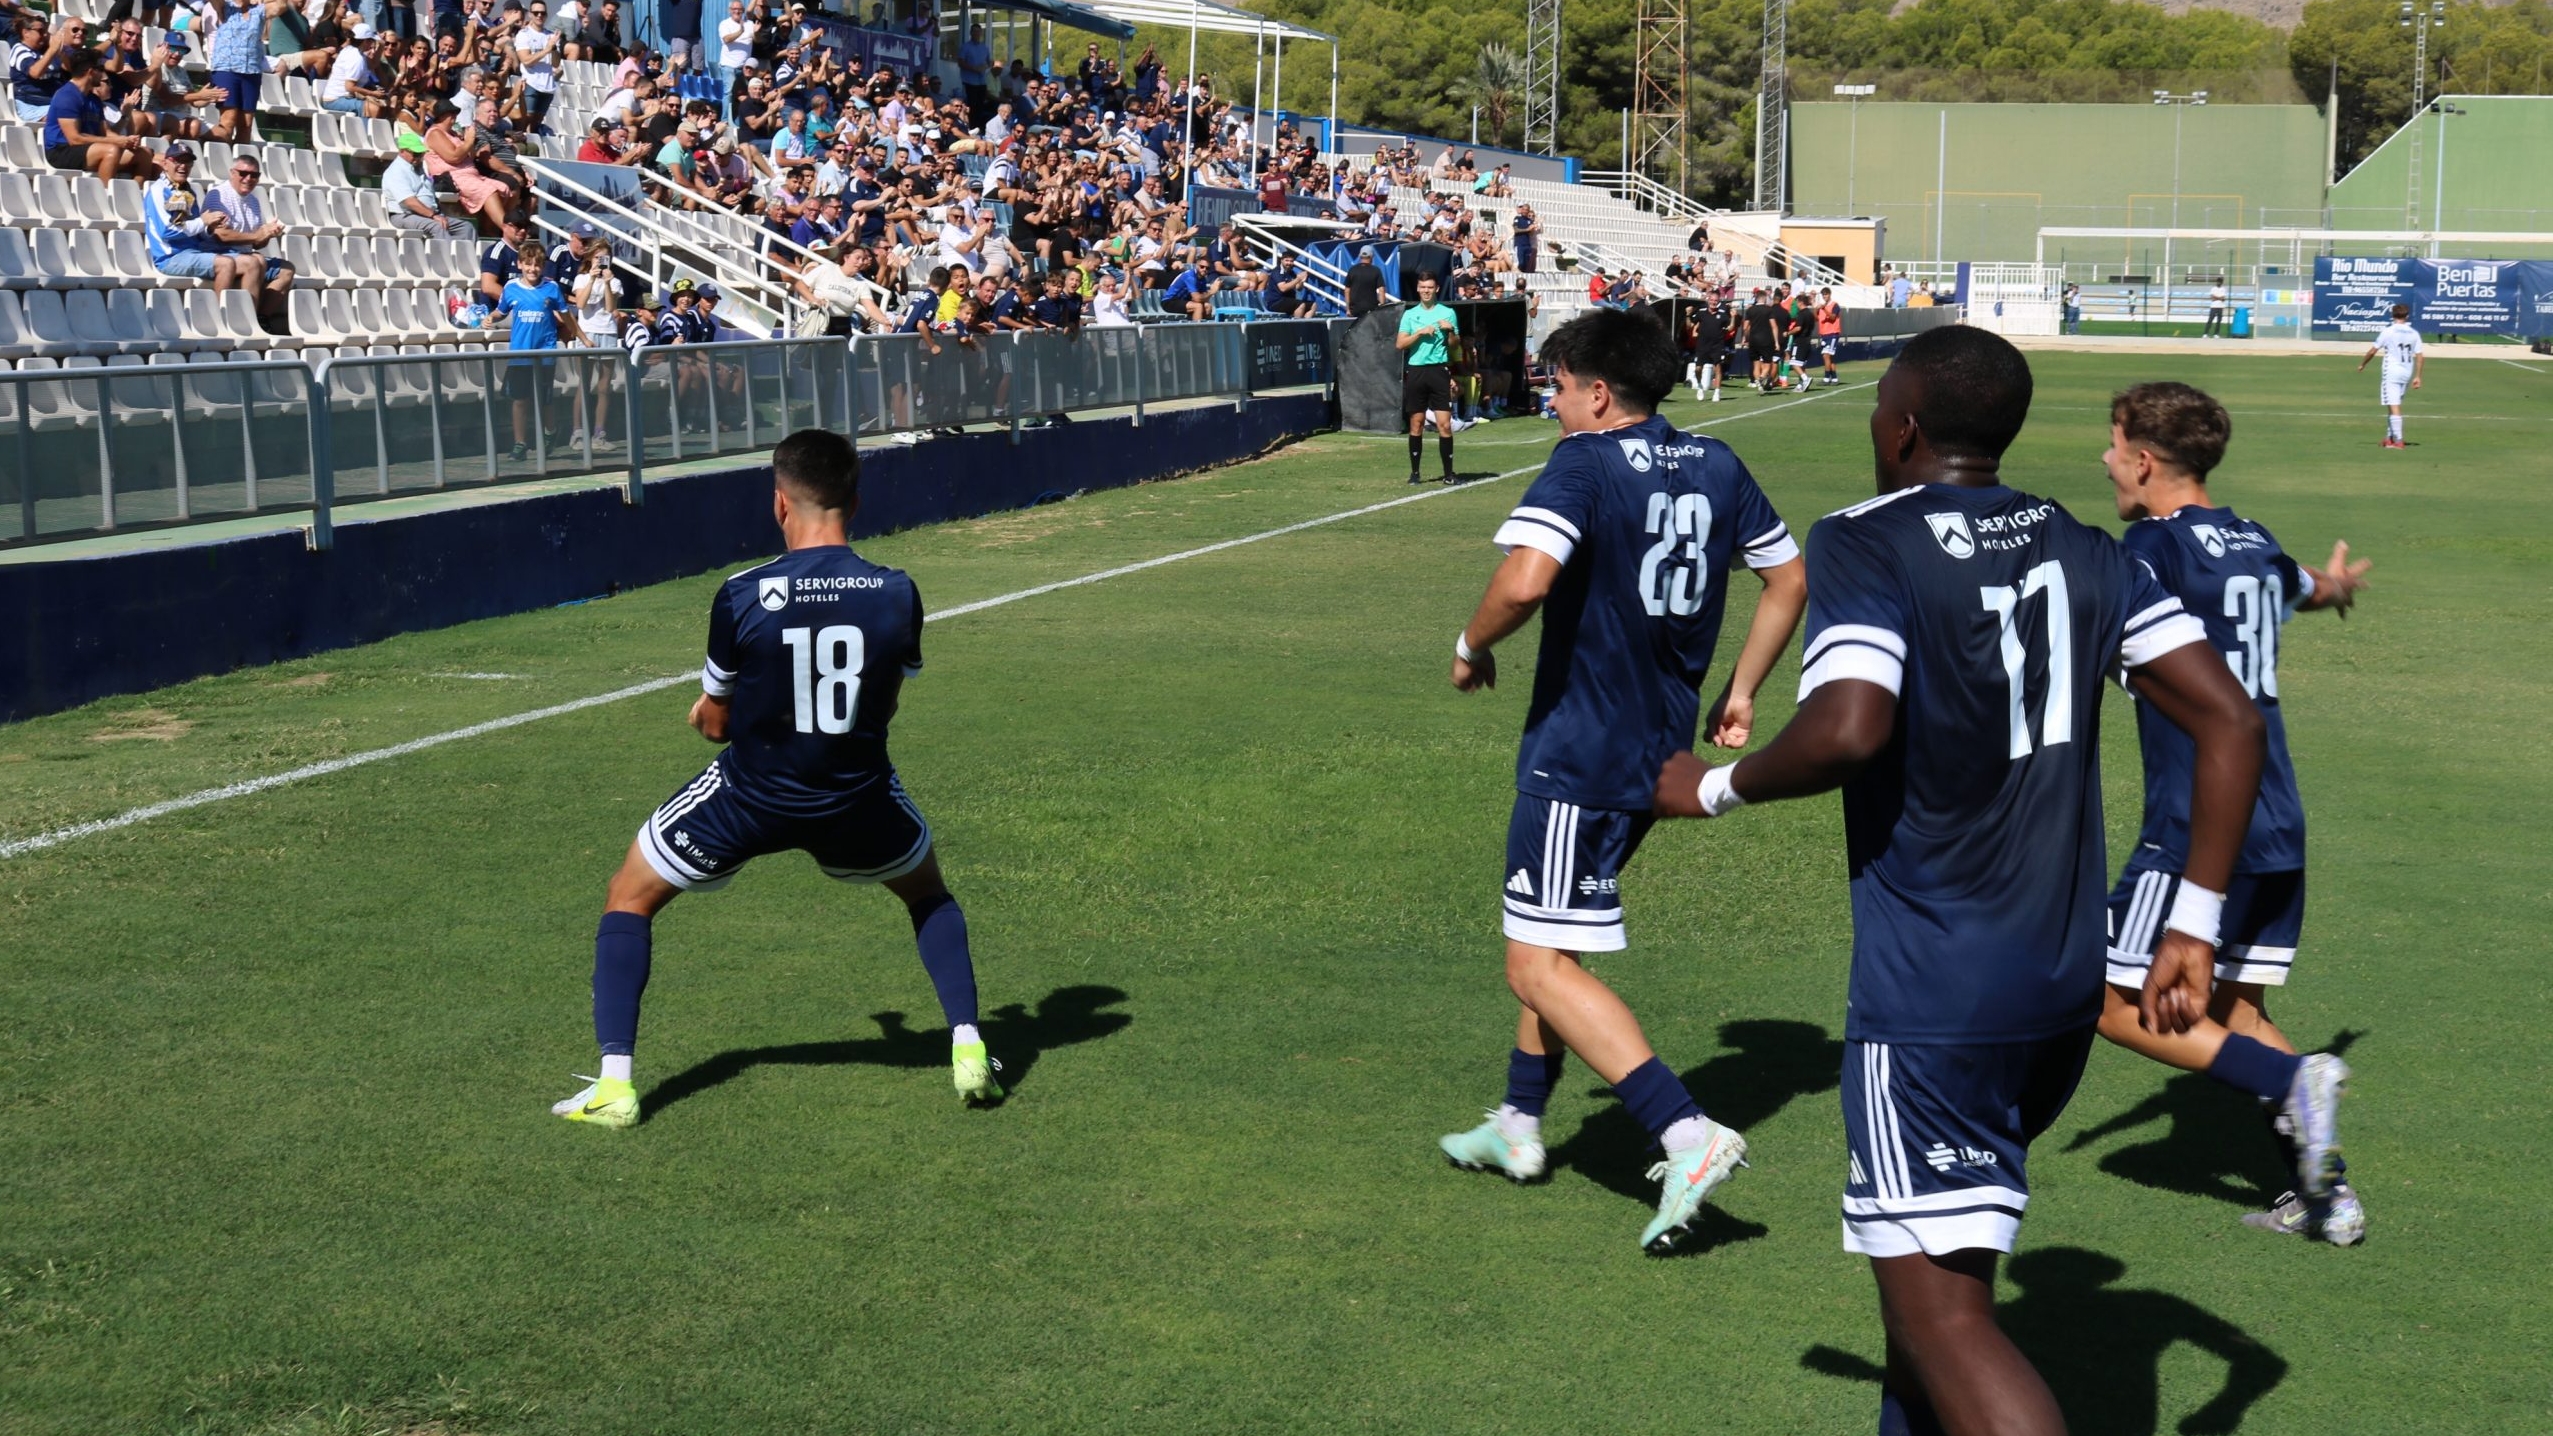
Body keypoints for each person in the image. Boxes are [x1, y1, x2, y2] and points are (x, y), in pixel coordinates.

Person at [1652, 325, 2265, 1436]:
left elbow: (1846, 727)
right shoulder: (2088, 547)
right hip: (2061, 985)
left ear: (1903, 426)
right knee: (1925, 1295)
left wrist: (1710, 787)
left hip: (1935, 991)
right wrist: (2195, 923)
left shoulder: (1865, 541)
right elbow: (2229, 718)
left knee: (1943, 1322)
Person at [1437, 306, 1806, 1255]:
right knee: (1551, 938)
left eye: (1557, 390)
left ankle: (1686, 1133)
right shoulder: (1718, 464)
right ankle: (1519, 1125)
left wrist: (1472, 642)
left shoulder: (1585, 462)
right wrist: (1741, 691)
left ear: (1598, 393)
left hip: (1581, 751)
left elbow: (1524, 581)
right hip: (1656, 749)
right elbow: (1788, 579)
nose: (1553, 406)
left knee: (1536, 961)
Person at [549, 428, 1003, 1128]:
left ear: (778, 502)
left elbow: (715, 721)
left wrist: (713, 715)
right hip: (857, 797)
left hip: (749, 799)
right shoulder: (896, 591)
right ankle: (969, 1046)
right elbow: (882, 700)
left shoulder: (740, 594)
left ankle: (615, 1083)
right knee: (928, 897)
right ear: (855, 500)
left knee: (628, 897)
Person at [2095, 382, 2370, 1244]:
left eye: (2111, 445)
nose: (2104, 460)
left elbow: (2090, 640)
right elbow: (2304, 589)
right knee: (2237, 1015)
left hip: (2195, 823)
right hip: (2278, 820)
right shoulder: (2251, 538)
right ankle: (2330, 1198)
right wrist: (2335, 585)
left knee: (2103, 1000)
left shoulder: (2148, 548)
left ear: (2143, 460)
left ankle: (2294, 1084)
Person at [493, 246, 583, 461]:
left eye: (537, 265)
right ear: (520, 264)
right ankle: (520, 443)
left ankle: (550, 431)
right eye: (529, 264)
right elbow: (501, 310)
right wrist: (491, 317)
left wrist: (582, 336)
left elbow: (566, 316)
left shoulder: (551, 288)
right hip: (520, 352)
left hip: (545, 352)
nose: (532, 269)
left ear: (542, 267)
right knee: (520, 399)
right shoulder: (511, 287)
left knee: (544, 399)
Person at [203, 150, 294, 329]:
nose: (248, 178)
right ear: (232, 173)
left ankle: (261, 318)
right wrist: (258, 235)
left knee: (286, 270)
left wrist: (268, 233)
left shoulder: (253, 200)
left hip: (242, 253)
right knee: (255, 261)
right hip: (218, 254)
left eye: (254, 175)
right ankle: (247, 321)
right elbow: (221, 235)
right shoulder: (218, 195)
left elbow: (257, 242)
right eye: (243, 173)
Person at [1396, 272, 1460, 485]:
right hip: (1416, 371)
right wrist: (1420, 333)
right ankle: (1415, 473)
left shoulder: (1448, 313)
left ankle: (1449, 474)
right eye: (1422, 287)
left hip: (1439, 371)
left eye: (1430, 287)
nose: (1426, 291)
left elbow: (1455, 345)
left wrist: (1450, 331)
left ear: (1437, 289)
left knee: (1444, 425)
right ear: (1417, 288)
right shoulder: (1410, 314)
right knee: (1417, 423)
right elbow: (1400, 344)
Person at [41, 52, 144, 181]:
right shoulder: (67, 96)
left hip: (88, 148)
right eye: (100, 69)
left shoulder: (94, 99)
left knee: (143, 154)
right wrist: (116, 141)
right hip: (61, 150)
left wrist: (126, 140)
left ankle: (137, 197)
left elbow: (106, 132)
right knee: (111, 150)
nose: (103, 73)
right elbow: (74, 139)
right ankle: (106, 197)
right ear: (91, 72)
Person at [384, 126, 475, 236]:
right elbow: (409, 202)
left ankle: (462, 253)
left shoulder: (419, 167)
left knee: (466, 228)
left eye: (421, 154)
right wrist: (432, 215)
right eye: (415, 154)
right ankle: (445, 253)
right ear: (402, 151)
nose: (419, 158)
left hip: (425, 215)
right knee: (438, 226)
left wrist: (436, 213)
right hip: (404, 215)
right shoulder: (396, 171)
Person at [2357, 303, 2423, 450]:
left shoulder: (2389, 331)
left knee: (2394, 406)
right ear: (2407, 316)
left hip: (2392, 371)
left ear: (2393, 316)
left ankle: (2399, 440)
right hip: (2407, 372)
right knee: (2393, 404)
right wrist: (2418, 376)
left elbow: (2373, 351)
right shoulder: (2414, 333)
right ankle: (2389, 438)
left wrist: (2363, 364)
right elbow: (2420, 356)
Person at [1741, 287, 1781, 393]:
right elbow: (1774, 326)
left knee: (1756, 363)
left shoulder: (1750, 310)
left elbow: (1745, 327)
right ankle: (1761, 379)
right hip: (1766, 340)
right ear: (1764, 298)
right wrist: (1776, 342)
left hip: (1753, 340)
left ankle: (1758, 383)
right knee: (1767, 364)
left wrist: (1745, 338)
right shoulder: (1768, 310)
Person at [1343, 244, 1386, 319]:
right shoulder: (1376, 271)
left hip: (1355, 309)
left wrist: (1348, 309)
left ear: (1360, 256)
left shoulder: (1352, 270)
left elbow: (1347, 290)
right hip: (1371, 309)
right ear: (1372, 256)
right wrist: (1382, 308)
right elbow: (1381, 290)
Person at [1813, 288, 1843, 386]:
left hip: (1833, 333)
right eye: (1823, 295)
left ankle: (1826, 378)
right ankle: (1834, 378)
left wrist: (1824, 309)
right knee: (1830, 357)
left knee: (1826, 355)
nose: (1825, 296)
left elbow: (1833, 317)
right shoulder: (1822, 307)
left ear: (1830, 294)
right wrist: (1815, 309)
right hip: (1824, 334)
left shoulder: (1835, 305)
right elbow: (1816, 318)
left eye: (1826, 294)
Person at [1511, 204, 1539, 275]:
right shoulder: (1517, 218)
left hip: (1527, 244)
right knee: (1521, 262)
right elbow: (1516, 230)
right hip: (1519, 244)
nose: (1524, 211)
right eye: (1523, 209)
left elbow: (1532, 233)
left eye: (1526, 210)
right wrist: (1527, 229)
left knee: (1526, 264)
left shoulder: (1530, 221)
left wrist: (1534, 227)